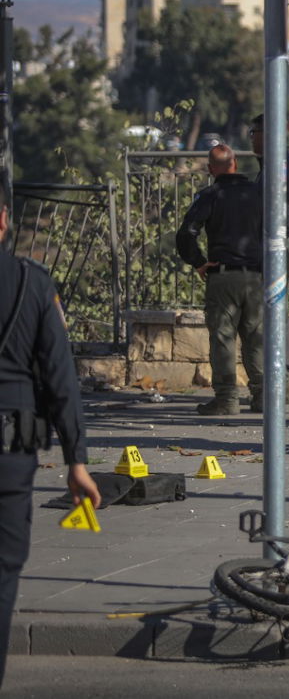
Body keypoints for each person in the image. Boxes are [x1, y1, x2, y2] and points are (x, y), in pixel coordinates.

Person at [0, 189, 101, 689]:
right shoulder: (32, 283)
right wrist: (75, 459)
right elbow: (61, 378)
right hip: (10, 452)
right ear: (3, 220)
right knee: (3, 571)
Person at [175, 144, 265, 415]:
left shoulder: (210, 195)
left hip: (223, 276)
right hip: (258, 277)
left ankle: (226, 399)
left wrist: (199, 262)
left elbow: (186, 233)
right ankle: (263, 396)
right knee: (257, 337)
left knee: (224, 338)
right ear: (235, 163)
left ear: (211, 169)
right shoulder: (259, 194)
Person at [250, 113, 289, 227]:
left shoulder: (280, 164)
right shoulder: (275, 161)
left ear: (266, 133)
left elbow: (277, 203)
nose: (251, 138)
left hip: (278, 231)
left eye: (253, 132)